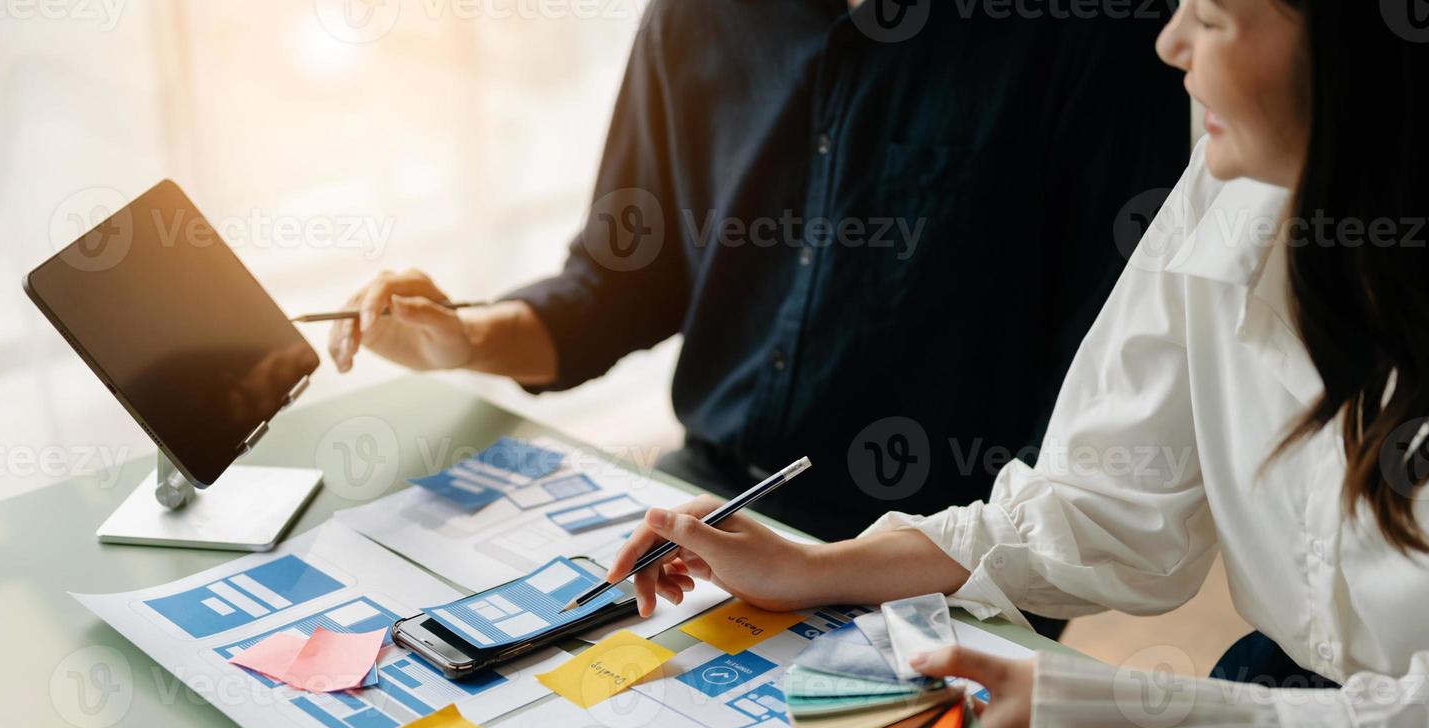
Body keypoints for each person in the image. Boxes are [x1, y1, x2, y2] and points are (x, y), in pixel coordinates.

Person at [605, 0, 1429, 728]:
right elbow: (1100, 504)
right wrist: (816, 566)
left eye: (1211, 18)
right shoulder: (1229, 182)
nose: (1170, 42)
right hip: (1284, 696)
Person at [328, 0, 1188, 555]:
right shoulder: (696, 18)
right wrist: (467, 338)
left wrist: (871, 574)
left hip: (953, 555)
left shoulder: (1105, 34)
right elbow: (620, 284)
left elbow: (1099, 391)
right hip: (707, 503)